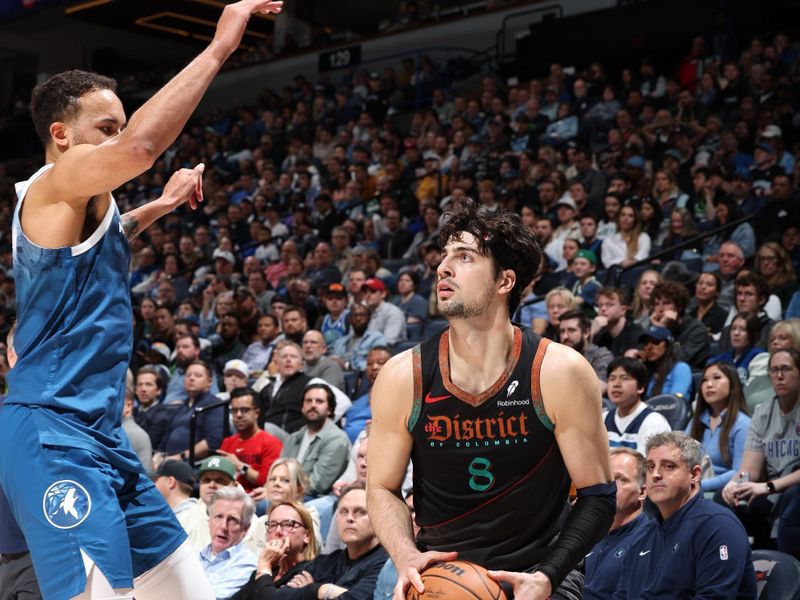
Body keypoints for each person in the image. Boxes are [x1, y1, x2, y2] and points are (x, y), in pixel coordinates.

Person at [0, 6, 287, 596]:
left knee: (187, 591)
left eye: (118, 125)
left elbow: (110, 235)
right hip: (55, 437)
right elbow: (142, 147)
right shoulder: (56, 181)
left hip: (101, 435)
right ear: (62, 136)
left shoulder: (79, 213)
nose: (117, 137)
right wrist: (219, 47)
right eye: (105, 128)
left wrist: (159, 205)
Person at [367, 199, 615, 600]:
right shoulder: (403, 376)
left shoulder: (558, 371)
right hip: (440, 578)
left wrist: (548, 576)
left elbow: (599, 497)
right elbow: (380, 487)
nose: (443, 267)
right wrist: (404, 554)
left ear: (504, 282)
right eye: (444, 256)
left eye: (464, 257)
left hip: (536, 577)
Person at [614, 432, 757, 599]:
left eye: (668, 466)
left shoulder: (718, 526)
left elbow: (713, 597)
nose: (655, 474)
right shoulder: (643, 535)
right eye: (651, 466)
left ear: (694, 474)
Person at [721, 348, 800, 555]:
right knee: (730, 499)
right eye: (774, 370)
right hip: (770, 486)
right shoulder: (762, 412)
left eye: (786, 369)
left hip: (791, 486)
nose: (779, 376)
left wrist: (768, 487)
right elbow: (749, 469)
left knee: (793, 496)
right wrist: (734, 484)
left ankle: (790, 570)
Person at [583, 448, 650, 600]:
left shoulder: (648, 541)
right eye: (608, 479)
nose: (612, 487)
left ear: (642, 492)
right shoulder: (588, 532)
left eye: (622, 479)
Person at [685, 362, 751, 493]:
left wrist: (699, 486)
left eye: (717, 378)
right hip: (692, 489)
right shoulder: (695, 421)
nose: (709, 385)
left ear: (733, 384)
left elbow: (740, 471)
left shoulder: (743, 424)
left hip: (721, 493)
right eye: (705, 380)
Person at [232, 502, 319, 600]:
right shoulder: (269, 569)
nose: (278, 531)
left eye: (288, 524)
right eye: (272, 525)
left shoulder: (311, 573)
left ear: (307, 536)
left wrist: (264, 566)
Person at [281, 383, 350, 499]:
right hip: (288, 492)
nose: (313, 405)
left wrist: (280, 489)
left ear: (329, 409)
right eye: (308, 401)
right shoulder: (293, 438)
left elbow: (318, 484)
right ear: (302, 407)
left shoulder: (337, 439)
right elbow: (279, 472)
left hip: (315, 498)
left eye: (319, 401)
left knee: (263, 505)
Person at [219, 387, 283, 494]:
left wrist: (240, 466)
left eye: (245, 410)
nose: (238, 415)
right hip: (228, 495)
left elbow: (267, 481)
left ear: (257, 413)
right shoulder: (227, 442)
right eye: (234, 410)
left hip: (256, 498)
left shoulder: (271, 443)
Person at [604, 357, 671, 455]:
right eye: (612, 378)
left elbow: (648, 466)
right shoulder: (603, 418)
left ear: (640, 387)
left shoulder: (654, 422)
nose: (616, 384)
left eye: (625, 378)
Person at [199, 487, 258, 599]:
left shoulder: (248, 564)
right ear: (209, 520)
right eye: (218, 517)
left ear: (245, 528)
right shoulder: (195, 556)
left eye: (232, 520)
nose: (223, 526)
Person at [558, 309, 613, 395]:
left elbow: (598, 389)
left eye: (571, 330)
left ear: (586, 332)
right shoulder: (558, 358)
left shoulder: (601, 355)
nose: (565, 336)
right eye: (562, 331)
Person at [708, 313, 765, 382]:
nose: (736, 333)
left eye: (742, 329)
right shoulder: (722, 359)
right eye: (733, 328)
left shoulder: (759, 357)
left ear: (752, 334)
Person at [640, 325, 693, 399]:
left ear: (668, 345)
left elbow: (675, 402)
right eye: (646, 343)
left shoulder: (681, 368)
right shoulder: (647, 373)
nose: (649, 347)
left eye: (655, 341)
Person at [592, 288, 646, 357]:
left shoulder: (636, 333)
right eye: (600, 305)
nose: (603, 309)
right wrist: (592, 333)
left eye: (609, 305)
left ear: (623, 310)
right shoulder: (600, 334)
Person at [601, 203, 652, 268]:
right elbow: (607, 262)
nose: (626, 218)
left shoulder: (643, 237)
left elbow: (643, 255)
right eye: (623, 215)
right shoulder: (609, 240)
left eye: (630, 216)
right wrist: (622, 262)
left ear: (635, 220)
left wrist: (632, 261)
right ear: (618, 218)